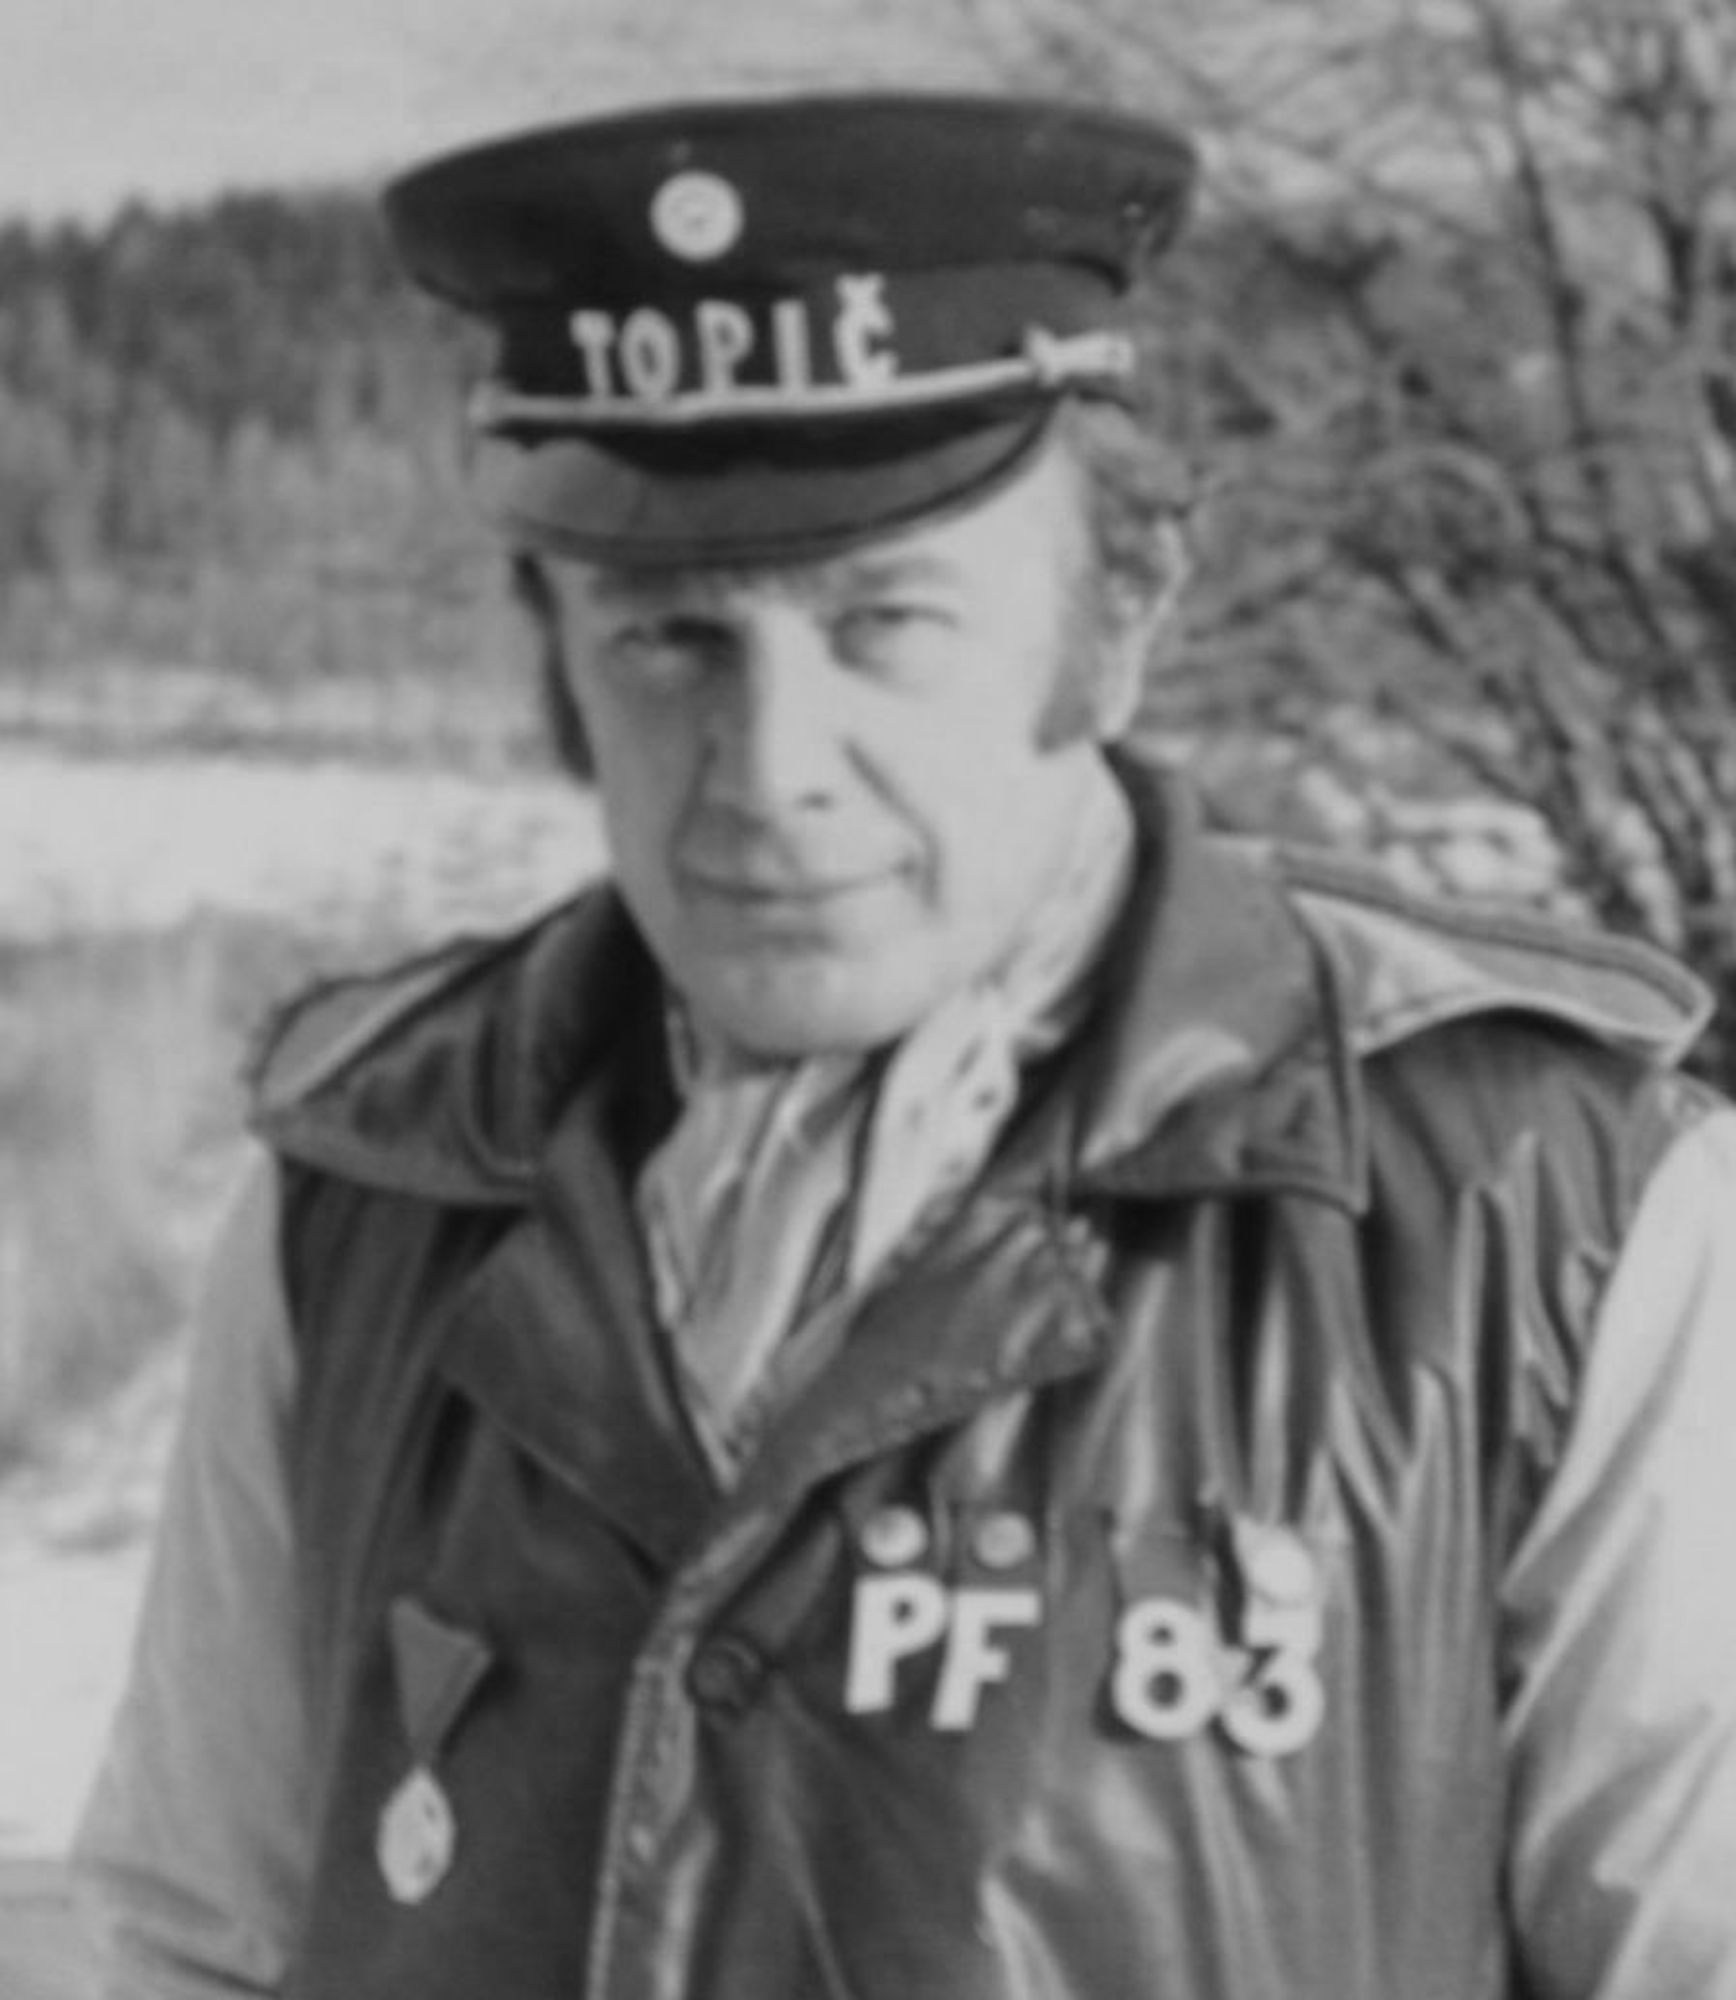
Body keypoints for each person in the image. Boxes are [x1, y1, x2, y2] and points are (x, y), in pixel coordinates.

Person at [74, 90, 1736, 2000]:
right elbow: (188, 1941)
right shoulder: (368, 1192)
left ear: (1118, 621)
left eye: (887, 624)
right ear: (558, 663)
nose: (770, 772)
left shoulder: (1542, 1216)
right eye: (669, 640)